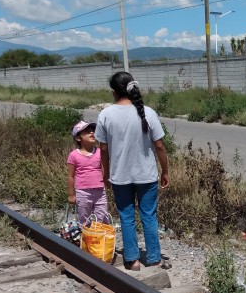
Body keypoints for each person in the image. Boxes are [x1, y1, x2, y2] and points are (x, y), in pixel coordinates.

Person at [95, 72, 170, 271]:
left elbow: (103, 149)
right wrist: (165, 171)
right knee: (149, 215)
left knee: (126, 216)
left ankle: (133, 260)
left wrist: (106, 173)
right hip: (146, 175)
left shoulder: (105, 115)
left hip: (120, 176)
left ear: (113, 92)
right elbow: (160, 146)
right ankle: (154, 258)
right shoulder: (148, 112)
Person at [67, 120, 107, 225]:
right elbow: (71, 176)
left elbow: (104, 169)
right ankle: (86, 238)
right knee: (84, 219)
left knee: (102, 217)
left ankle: (100, 239)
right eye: (87, 132)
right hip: (83, 192)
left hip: (99, 191)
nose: (92, 133)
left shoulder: (99, 152)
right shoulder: (74, 155)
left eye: (93, 131)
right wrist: (71, 194)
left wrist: (107, 182)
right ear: (78, 138)